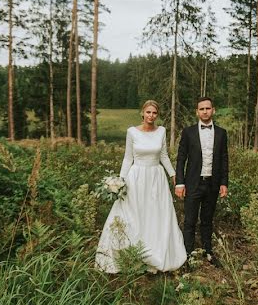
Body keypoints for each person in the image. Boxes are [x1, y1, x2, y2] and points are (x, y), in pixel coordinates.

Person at [96, 100, 187, 273]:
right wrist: (120, 181)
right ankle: (130, 255)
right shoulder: (132, 132)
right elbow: (127, 158)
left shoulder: (161, 131)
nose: (151, 116)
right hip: (136, 177)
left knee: (155, 215)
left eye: (154, 113)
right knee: (133, 213)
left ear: (157, 115)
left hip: (156, 178)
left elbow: (164, 156)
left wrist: (173, 174)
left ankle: (154, 254)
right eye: (148, 112)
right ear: (142, 113)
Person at [174, 96, 229, 265]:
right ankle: (188, 255)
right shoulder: (188, 132)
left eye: (208, 108)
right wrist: (180, 183)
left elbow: (224, 158)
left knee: (207, 220)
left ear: (213, 110)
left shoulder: (221, 133)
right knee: (190, 220)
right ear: (197, 112)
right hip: (192, 183)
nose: (205, 111)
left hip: (212, 184)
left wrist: (224, 183)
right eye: (202, 109)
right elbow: (181, 158)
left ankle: (208, 252)